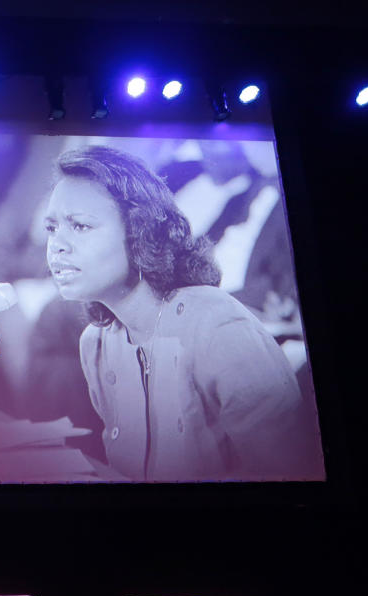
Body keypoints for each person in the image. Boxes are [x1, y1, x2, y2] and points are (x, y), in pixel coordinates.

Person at [43, 145, 316, 481]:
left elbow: (290, 479)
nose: (56, 246)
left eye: (80, 226)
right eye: (52, 228)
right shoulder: (96, 344)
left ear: (138, 231)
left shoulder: (220, 328)